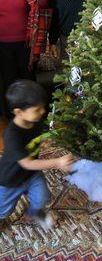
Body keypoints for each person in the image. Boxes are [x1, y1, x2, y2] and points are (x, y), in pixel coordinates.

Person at [0, 80, 73, 230]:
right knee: (4, 210)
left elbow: (37, 138)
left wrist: (44, 141)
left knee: (43, 197)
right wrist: (57, 162)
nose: (42, 112)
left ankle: (33, 212)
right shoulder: (11, 134)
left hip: (31, 175)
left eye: (42, 108)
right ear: (18, 112)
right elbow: (26, 163)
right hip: (9, 180)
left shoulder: (35, 122)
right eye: (37, 109)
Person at [0, 0, 48, 116]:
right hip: (2, 46)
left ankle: (33, 115)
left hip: (26, 45)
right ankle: (13, 119)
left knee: (28, 80)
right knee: (9, 82)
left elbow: (41, 6)